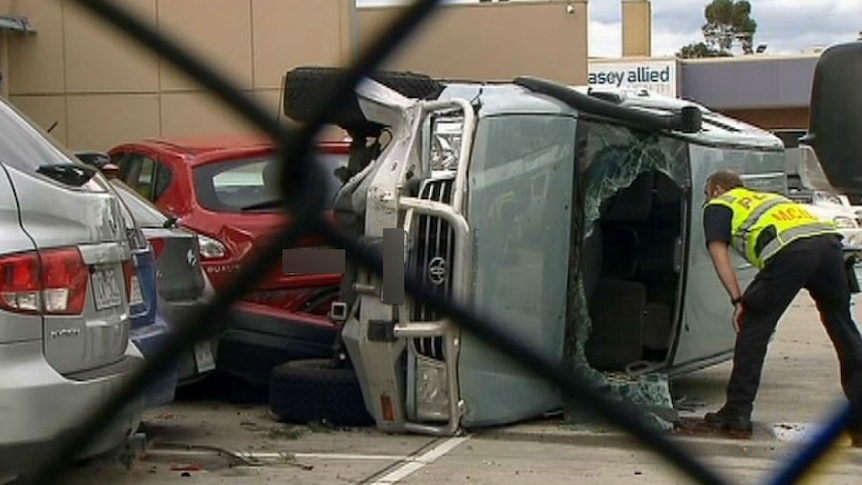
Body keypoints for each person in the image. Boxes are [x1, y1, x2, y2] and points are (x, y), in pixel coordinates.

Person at [701, 170, 862, 444]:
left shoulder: (720, 204)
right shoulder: (770, 199)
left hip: (792, 253)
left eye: (706, 194)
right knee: (844, 330)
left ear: (716, 189)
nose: (707, 200)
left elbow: (719, 254)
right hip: (830, 247)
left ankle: (736, 414)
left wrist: (739, 300)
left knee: (752, 327)